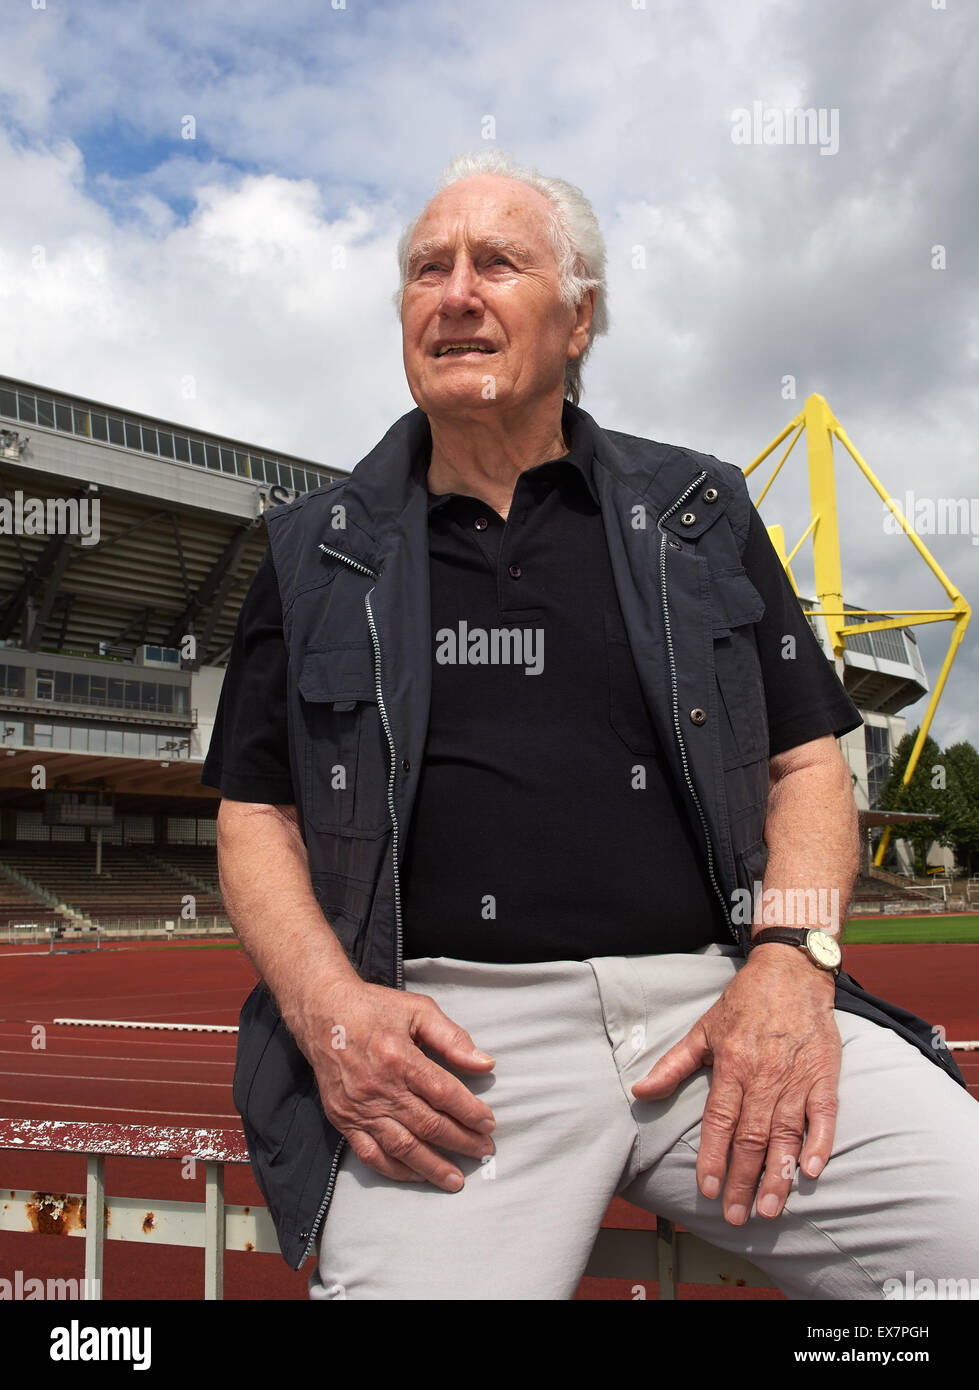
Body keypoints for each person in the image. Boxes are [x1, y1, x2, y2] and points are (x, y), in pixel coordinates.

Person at [202, 150, 978, 1301]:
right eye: (427, 269)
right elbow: (252, 810)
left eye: (496, 263)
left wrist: (791, 961)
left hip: (722, 999)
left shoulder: (698, 511)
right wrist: (329, 1010)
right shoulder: (314, 547)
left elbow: (809, 765)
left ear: (579, 318)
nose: (454, 292)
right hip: (455, 1045)